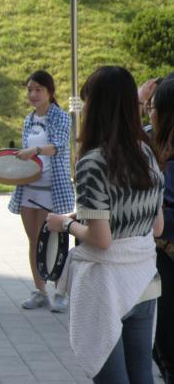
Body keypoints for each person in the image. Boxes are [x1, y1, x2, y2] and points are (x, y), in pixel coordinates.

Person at [47, 66, 164, 383]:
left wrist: (63, 224)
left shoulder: (93, 162)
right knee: (142, 375)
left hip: (107, 288)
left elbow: (101, 239)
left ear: (96, 106)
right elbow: (155, 227)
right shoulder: (147, 154)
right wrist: (84, 218)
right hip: (144, 283)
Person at [8, 70, 74, 312]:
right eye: (29, 90)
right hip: (28, 188)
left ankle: (61, 293)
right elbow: (26, 153)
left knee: (55, 240)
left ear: (50, 92)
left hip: (52, 189)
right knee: (34, 241)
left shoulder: (61, 117)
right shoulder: (29, 119)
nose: (33, 94)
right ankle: (40, 291)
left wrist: (34, 152)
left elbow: (57, 146)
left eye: (38, 90)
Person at [150, 79, 174, 383]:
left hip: (165, 261)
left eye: (152, 107)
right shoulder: (153, 147)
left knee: (167, 347)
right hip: (160, 259)